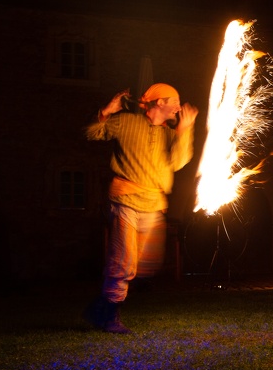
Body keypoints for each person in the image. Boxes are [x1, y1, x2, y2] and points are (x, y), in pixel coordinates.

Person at [83, 84, 198, 333]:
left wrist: (185, 131)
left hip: (154, 205)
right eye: (174, 101)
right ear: (159, 103)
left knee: (144, 265)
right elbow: (92, 133)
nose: (179, 106)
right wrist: (105, 112)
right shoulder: (126, 122)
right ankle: (109, 317)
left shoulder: (170, 134)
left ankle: (98, 310)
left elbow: (178, 162)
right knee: (124, 263)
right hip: (126, 199)